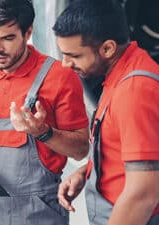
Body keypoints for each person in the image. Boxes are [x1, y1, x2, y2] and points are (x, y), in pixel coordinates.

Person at [0, 0, 89, 224]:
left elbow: (81, 149)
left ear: (28, 32)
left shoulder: (60, 76)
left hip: (42, 213)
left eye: (8, 38)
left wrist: (43, 132)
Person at [53, 1, 159, 225]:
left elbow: (143, 194)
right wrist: (87, 172)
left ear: (108, 49)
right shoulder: (119, 74)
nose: (65, 64)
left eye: (74, 55)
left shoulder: (134, 91)